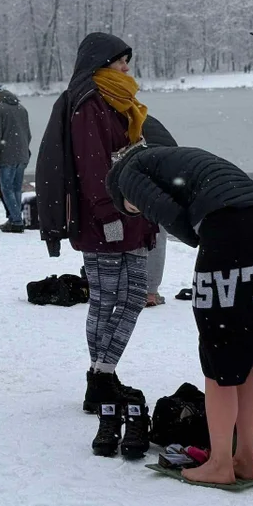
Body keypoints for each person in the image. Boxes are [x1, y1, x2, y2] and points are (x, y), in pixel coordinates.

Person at [108, 144, 253, 482]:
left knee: (218, 353)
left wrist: (206, 237)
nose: (137, 212)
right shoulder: (171, 158)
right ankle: (245, 460)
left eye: (131, 209)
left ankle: (220, 464)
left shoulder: (127, 176)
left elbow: (175, 219)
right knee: (243, 352)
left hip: (230, 228)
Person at [35, 33, 157, 457]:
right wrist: (108, 215)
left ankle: (101, 377)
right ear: (101, 64)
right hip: (107, 215)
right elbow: (91, 165)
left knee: (130, 295)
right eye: (121, 63)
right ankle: (101, 381)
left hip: (129, 209)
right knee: (108, 299)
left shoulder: (115, 99)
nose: (126, 70)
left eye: (127, 62)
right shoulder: (89, 101)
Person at [141, 115, 178, 308]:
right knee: (156, 234)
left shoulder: (105, 120)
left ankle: (125, 288)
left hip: (128, 180)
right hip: (160, 181)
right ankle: (150, 292)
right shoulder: (149, 120)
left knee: (119, 233)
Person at [0, 82, 32, 232]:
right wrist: (25, 151)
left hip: (7, 156)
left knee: (7, 189)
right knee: (17, 188)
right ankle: (15, 218)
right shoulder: (22, 108)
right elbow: (28, 134)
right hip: (22, 155)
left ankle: (16, 221)